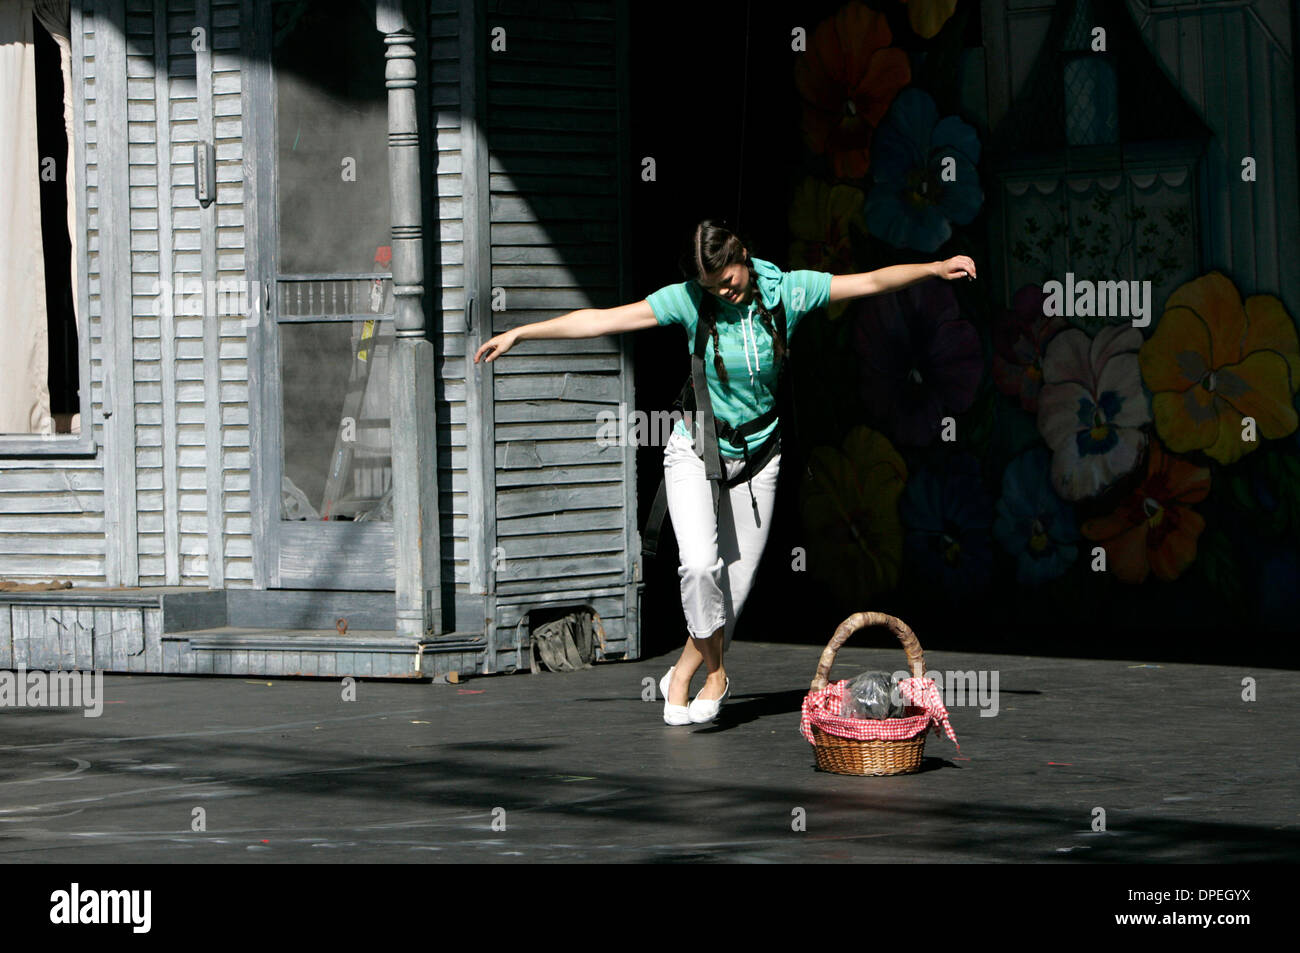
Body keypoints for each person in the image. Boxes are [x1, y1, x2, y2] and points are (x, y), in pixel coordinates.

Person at [473, 220, 976, 726]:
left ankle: (681, 672)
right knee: (698, 568)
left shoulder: (788, 291)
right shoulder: (689, 300)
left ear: (742, 254)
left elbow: (867, 282)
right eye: (712, 287)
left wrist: (934, 267)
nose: (723, 291)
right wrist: (522, 332)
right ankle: (713, 674)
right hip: (696, 449)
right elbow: (605, 320)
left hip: (760, 459)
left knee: (731, 594)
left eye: (727, 279)